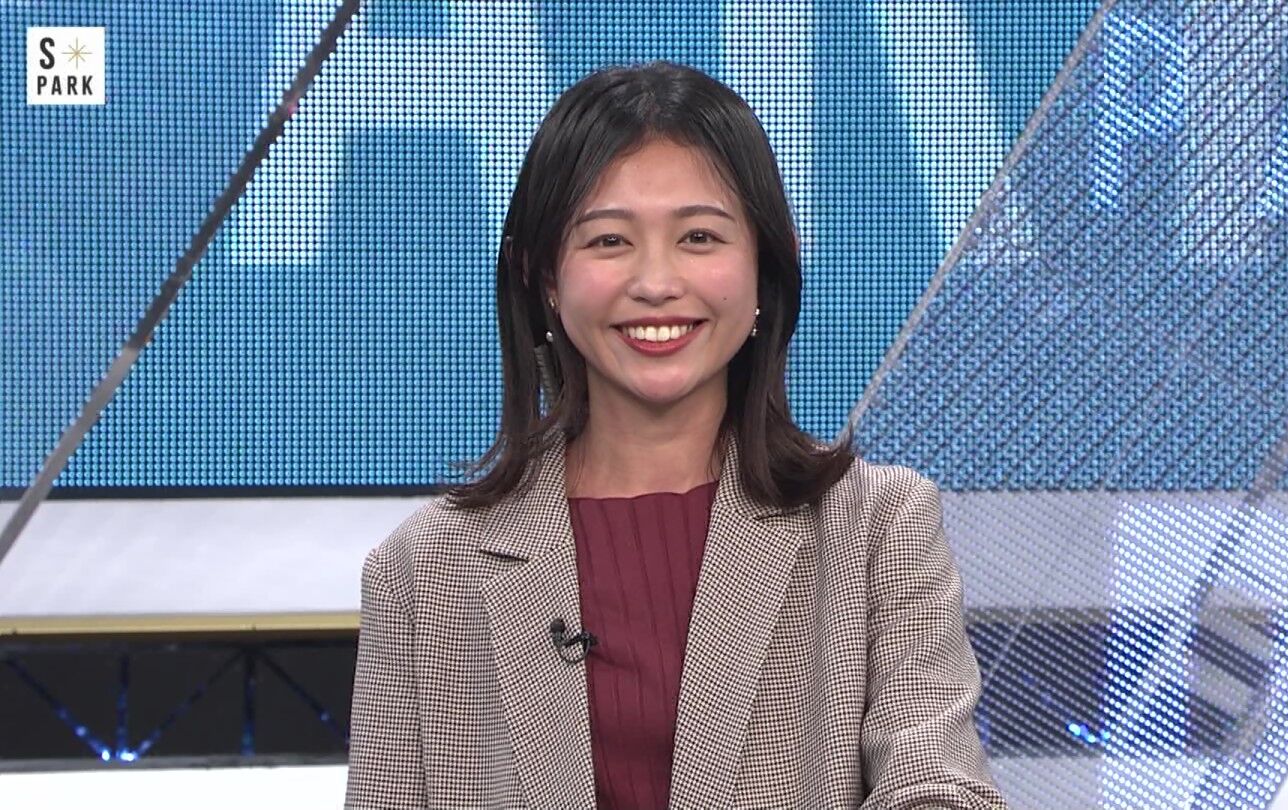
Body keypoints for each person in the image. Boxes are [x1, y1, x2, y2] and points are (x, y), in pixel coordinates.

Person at [345, 60, 1007, 809]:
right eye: (608, 241)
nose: (656, 283)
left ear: (765, 263)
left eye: (698, 236)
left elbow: (939, 784)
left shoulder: (878, 527)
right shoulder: (423, 569)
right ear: (546, 278)